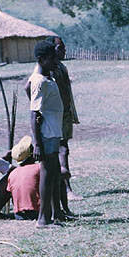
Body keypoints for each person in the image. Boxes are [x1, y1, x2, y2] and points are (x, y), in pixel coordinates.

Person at [29, 39, 64, 228]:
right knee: (47, 173)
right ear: (41, 59)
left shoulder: (47, 78)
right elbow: (33, 113)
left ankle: (52, 214)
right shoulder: (39, 81)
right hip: (47, 134)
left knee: (52, 173)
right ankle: (43, 218)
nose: (55, 61)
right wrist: (36, 143)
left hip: (53, 131)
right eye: (52, 59)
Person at [51, 37, 82, 206]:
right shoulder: (48, 71)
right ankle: (66, 189)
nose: (64, 51)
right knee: (61, 150)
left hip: (64, 114)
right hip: (54, 117)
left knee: (64, 148)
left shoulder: (61, 67)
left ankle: (65, 188)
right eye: (60, 48)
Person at [6, 136, 41, 220]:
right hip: (37, 213)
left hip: (19, 215)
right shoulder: (39, 168)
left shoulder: (12, 173)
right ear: (32, 154)